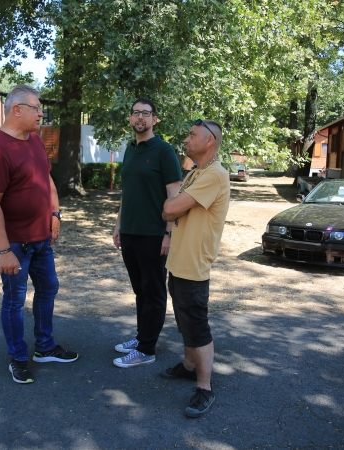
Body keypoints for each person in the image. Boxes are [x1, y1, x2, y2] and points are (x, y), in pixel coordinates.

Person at [0, 85, 78, 384]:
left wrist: (55, 212)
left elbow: (46, 177)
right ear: (16, 110)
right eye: (36, 108)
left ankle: (45, 347)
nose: (41, 113)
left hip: (41, 238)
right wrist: (4, 249)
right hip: (14, 244)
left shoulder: (34, 140)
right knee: (14, 300)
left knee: (49, 288)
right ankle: (18, 357)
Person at [160, 119, 230, 418]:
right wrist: (173, 205)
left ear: (209, 142)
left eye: (192, 135)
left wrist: (172, 205)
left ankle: (205, 387)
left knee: (197, 326)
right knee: (185, 320)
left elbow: (171, 209)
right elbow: (173, 207)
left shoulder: (214, 174)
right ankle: (189, 368)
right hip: (179, 261)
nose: (186, 139)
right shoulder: (196, 172)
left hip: (193, 265)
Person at [112, 99, 182, 368]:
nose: (140, 117)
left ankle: (147, 350)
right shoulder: (130, 150)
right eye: (136, 113)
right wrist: (119, 226)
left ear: (155, 120)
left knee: (153, 291)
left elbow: (173, 196)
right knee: (140, 290)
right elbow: (126, 193)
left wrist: (168, 233)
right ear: (130, 119)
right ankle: (143, 337)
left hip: (154, 234)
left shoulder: (164, 151)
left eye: (146, 113)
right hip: (130, 232)